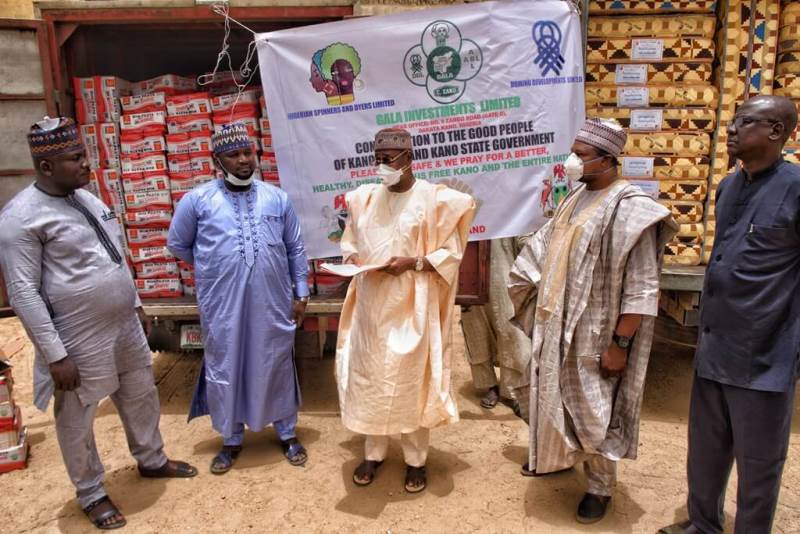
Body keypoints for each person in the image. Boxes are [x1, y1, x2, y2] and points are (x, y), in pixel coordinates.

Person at [0, 117, 197, 531]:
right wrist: (55, 355)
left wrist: (138, 305)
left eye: (85, 155)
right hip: (76, 336)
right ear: (46, 167)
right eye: (75, 159)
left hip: (123, 324)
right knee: (78, 415)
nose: (87, 165)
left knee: (141, 393)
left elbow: (117, 256)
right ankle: (90, 492)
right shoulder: (20, 219)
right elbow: (23, 294)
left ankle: (151, 459)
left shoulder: (86, 199)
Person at [508, 118, 677, 524]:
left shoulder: (631, 210)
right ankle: (554, 458)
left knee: (594, 411)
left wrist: (619, 345)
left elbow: (641, 289)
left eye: (581, 156)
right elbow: (546, 247)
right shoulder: (575, 197)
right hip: (557, 323)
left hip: (596, 334)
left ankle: (600, 487)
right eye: (574, 152)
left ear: (608, 160)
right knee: (552, 396)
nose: (572, 161)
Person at [660, 96, 800, 534]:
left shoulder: (796, 188)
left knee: (759, 464)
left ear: (776, 131)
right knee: (705, 450)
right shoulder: (729, 186)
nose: (732, 130)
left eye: (744, 122)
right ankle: (703, 525)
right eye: (733, 121)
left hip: (764, 356)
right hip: (714, 345)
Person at [336, 127, 475, 493]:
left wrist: (414, 262)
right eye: (377, 159)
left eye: (388, 160)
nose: (381, 167)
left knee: (410, 381)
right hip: (371, 305)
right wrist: (353, 259)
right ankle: (374, 452)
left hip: (411, 304)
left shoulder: (433, 199)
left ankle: (415, 460)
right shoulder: (364, 198)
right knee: (370, 380)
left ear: (408, 159)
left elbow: (452, 252)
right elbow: (349, 242)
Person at [167, 123, 310, 474]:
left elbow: (295, 247)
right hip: (222, 304)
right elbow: (178, 244)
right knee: (226, 365)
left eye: (248, 152)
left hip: (272, 301)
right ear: (218, 160)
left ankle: (288, 433)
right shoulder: (198, 200)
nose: (244, 160)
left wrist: (301, 292)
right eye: (234, 154)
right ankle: (231, 440)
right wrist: (214, 265)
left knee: (274, 361)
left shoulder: (277, 198)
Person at [460, 237, 531, 410]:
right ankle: (489, 385)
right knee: (476, 327)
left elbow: (523, 236)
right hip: (469, 270)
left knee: (510, 330)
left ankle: (512, 389)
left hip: (504, 268)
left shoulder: (505, 208)